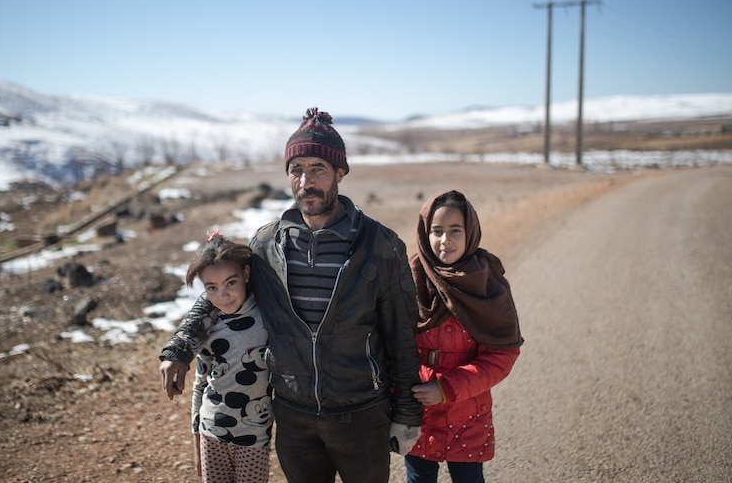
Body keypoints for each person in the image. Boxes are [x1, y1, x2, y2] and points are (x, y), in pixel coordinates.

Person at [160, 107, 423, 483]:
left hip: (362, 414)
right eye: (296, 170)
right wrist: (179, 350)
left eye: (317, 168)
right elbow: (218, 293)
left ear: (340, 174)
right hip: (294, 417)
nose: (305, 181)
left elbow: (402, 334)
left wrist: (407, 414)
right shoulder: (267, 245)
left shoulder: (380, 245)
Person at [406, 190, 523, 483]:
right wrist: (411, 386)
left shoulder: (486, 282)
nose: (445, 240)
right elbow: (390, 343)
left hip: (468, 416)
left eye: (455, 230)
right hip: (417, 412)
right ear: (425, 233)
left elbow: (502, 354)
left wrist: (447, 387)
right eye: (437, 231)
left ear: (469, 232)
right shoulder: (410, 277)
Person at [159, 232, 273, 483]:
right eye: (212, 287)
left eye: (230, 282)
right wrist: (197, 442)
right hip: (211, 432)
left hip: (254, 436)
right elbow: (201, 383)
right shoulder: (207, 325)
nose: (223, 295)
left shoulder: (268, 316)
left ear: (245, 274)